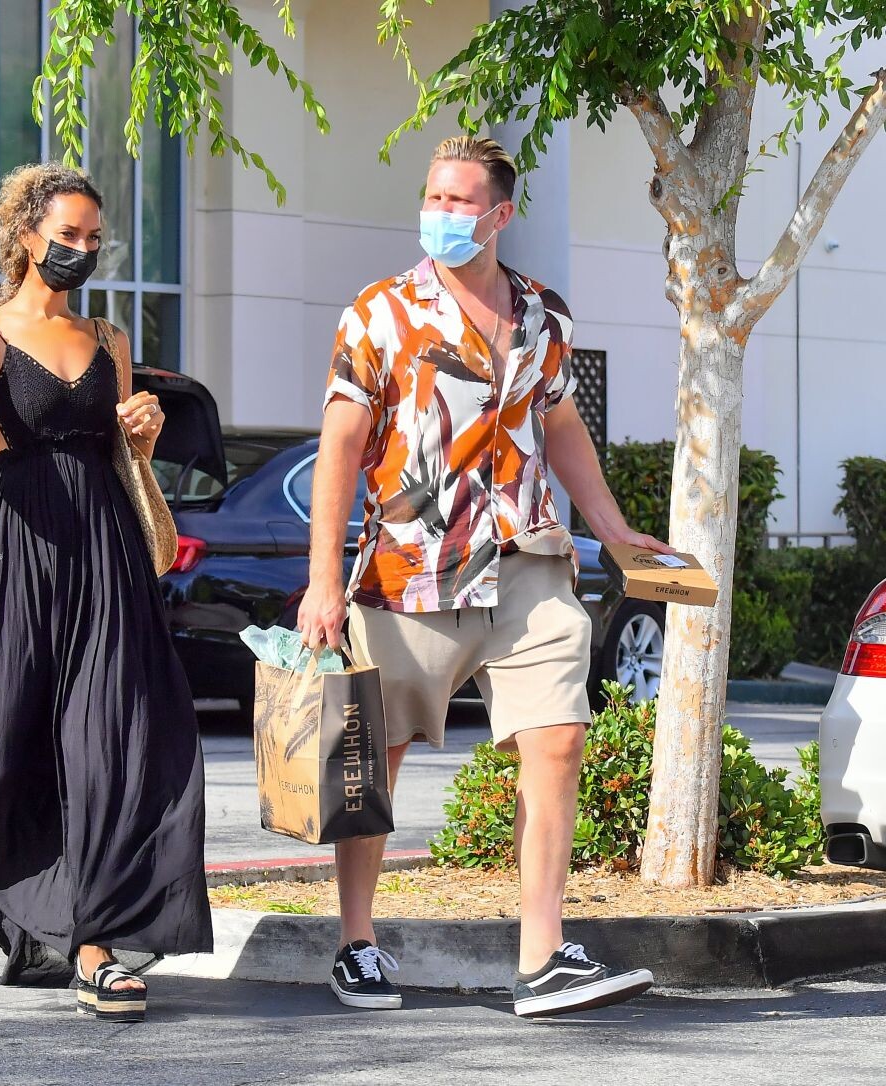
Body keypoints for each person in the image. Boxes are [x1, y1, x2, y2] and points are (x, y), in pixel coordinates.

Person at [298, 136, 668, 1020]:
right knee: (374, 762)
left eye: (461, 201)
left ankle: (541, 957)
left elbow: (560, 423)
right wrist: (321, 581)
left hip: (527, 559)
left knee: (559, 740)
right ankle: (357, 942)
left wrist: (612, 528)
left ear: (501, 215)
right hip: (411, 568)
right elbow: (340, 447)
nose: (442, 213)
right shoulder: (380, 312)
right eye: (435, 197)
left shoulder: (543, 314)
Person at [0, 162, 212, 1022]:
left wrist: (145, 428)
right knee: (1, 744)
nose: (82, 249)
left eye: (93, 237)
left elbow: (119, 453)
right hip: (17, 552)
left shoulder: (108, 341)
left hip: (105, 553)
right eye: (67, 235)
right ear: (25, 236)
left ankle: (97, 947)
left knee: (111, 750)